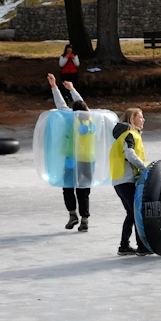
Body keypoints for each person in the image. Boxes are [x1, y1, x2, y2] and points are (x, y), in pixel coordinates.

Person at [47, 73, 92, 231]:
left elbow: (60, 105)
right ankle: (84, 219)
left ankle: (73, 214)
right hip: (87, 160)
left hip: (71, 159)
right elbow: (81, 104)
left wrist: (54, 86)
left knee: (68, 187)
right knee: (83, 190)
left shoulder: (70, 119)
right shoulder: (91, 119)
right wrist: (72, 89)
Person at [109, 108, 152, 255]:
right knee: (137, 213)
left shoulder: (122, 136)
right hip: (126, 180)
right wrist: (143, 168)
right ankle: (141, 247)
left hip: (119, 180)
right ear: (132, 119)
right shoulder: (130, 134)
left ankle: (124, 246)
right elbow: (129, 153)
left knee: (131, 213)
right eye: (140, 117)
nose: (143, 120)